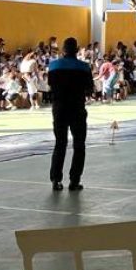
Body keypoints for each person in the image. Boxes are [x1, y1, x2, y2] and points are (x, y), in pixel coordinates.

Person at [48, 37, 94, 192]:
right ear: (77, 49)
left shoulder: (53, 66)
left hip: (59, 109)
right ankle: (74, 181)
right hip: (77, 109)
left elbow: (50, 85)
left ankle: (55, 179)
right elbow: (89, 89)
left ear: (63, 49)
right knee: (79, 145)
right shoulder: (84, 67)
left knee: (60, 144)